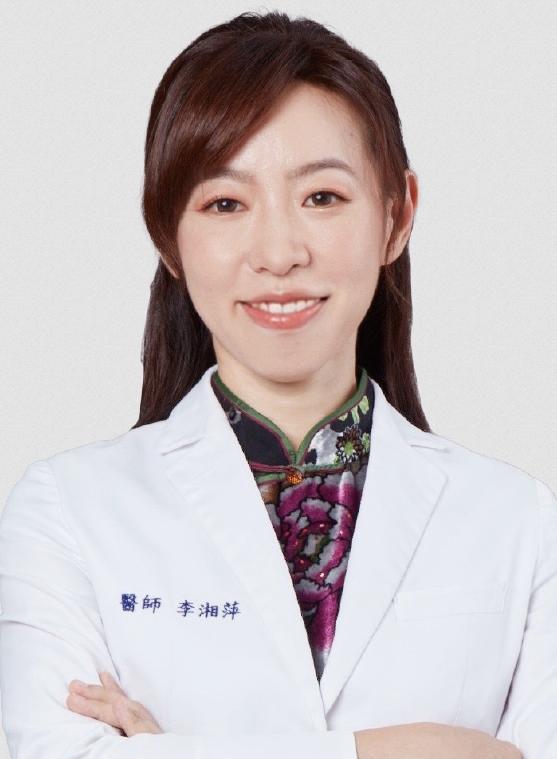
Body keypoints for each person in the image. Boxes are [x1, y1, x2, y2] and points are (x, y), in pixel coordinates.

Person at [0, 10, 553, 759]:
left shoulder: (519, 522)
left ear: (397, 217)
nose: (278, 251)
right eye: (225, 204)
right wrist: (422, 748)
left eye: (321, 197)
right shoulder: (66, 510)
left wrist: (175, 749)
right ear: (168, 237)